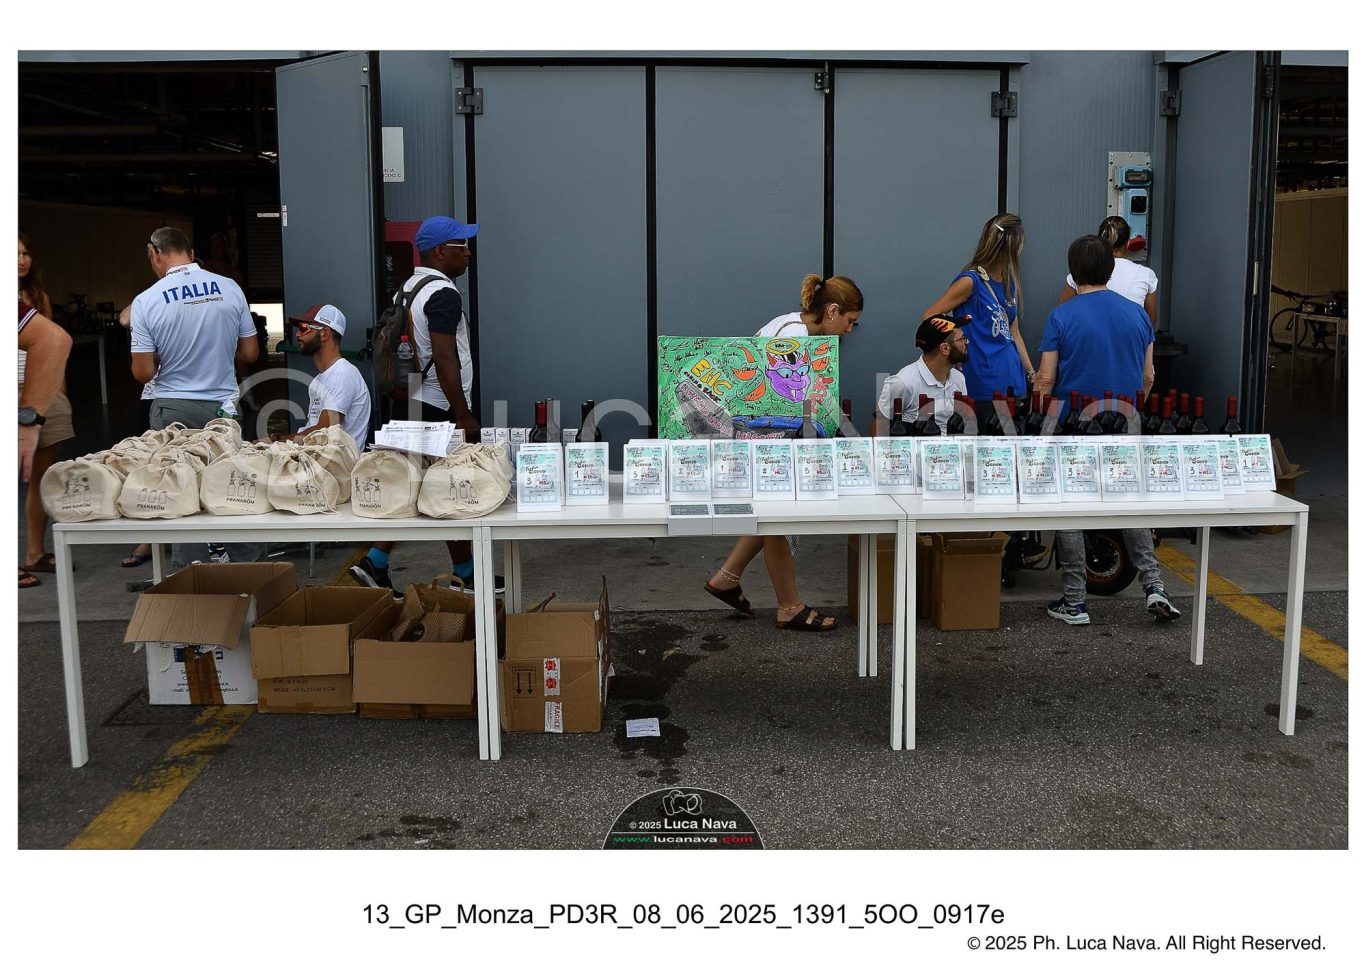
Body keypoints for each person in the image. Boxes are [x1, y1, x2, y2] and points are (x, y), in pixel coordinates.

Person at [703, 274, 862, 632]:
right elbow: (789, 398)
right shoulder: (795, 338)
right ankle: (789, 606)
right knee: (781, 518)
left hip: (758, 436)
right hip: (766, 440)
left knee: (771, 515)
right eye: (850, 321)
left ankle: (727, 577)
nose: (850, 330)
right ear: (832, 311)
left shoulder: (790, 324)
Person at [351, 216, 498, 598]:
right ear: (440, 252)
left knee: (424, 485)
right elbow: (444, 356)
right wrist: (462, 414)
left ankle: (388, 562)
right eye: (462, 246)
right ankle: (383, 561)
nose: (468, 253)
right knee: (448, 488)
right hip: (437, 404)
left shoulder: (409, 288)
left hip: (415, 397)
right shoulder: (443, 294)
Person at [1035, 234, 1178, 625]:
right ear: (1111, 269)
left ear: (1073, 272)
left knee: (1070, 509)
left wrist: (1038, 410)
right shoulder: (1137, 315)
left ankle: (1075, 602)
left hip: (1075, 424)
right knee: (1129, 502)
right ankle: (1154, 586)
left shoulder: (1061, 316)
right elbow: (1148, 376)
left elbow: (1045, 379)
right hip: (1124, 421)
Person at [130, 227, 262, 567]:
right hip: (224, 410)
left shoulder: (146, 301)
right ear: (190, 254)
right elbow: (250, 353)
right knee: (233, 488)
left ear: (154, 254)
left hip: (173, 411)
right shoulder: (229, 287)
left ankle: (191, 579)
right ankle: (250, 571)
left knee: (181, 494)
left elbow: (143, 373)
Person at [921, 213, 1036, 407]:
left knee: (1011, 427)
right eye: (1022, 241)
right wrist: (956, 338)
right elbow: (929, 316)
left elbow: (1014, 333)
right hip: (983, 382)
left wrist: (1031, 373)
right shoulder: (970, 281)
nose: (1023, 247)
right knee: (985, 425)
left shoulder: (1009, 283)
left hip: (1013, 380)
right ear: (1011, 245)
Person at [19, 232, 77, 585]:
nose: (21, 260)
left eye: (25, 253)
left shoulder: (35, 296)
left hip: (42, 394)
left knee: (41, 476)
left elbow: (54, 346)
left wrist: (60, 393)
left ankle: (34, 552)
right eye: (13, 253)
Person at [276, 303, 371, 449]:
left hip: (336, 462)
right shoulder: (320, 380)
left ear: (325, 334)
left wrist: (276, 442)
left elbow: (323, 433)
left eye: (303, 328)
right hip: (318, 455)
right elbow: (313, 432)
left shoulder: (342, 375)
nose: (297, 334)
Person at [1057, 215, 1158, 327]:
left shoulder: (1081, 273)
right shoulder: (1146, 274)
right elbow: (1150, 322)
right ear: (1127, 242)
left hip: (1089, 335)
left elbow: (1060, 317)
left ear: (1099, 241)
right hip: (1130, 336)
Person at [877, 315, 969, 432]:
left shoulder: (958, 378)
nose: (967, 342)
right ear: (945, 348)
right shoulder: (904, 382)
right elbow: (879, 427)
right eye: (962, 339)